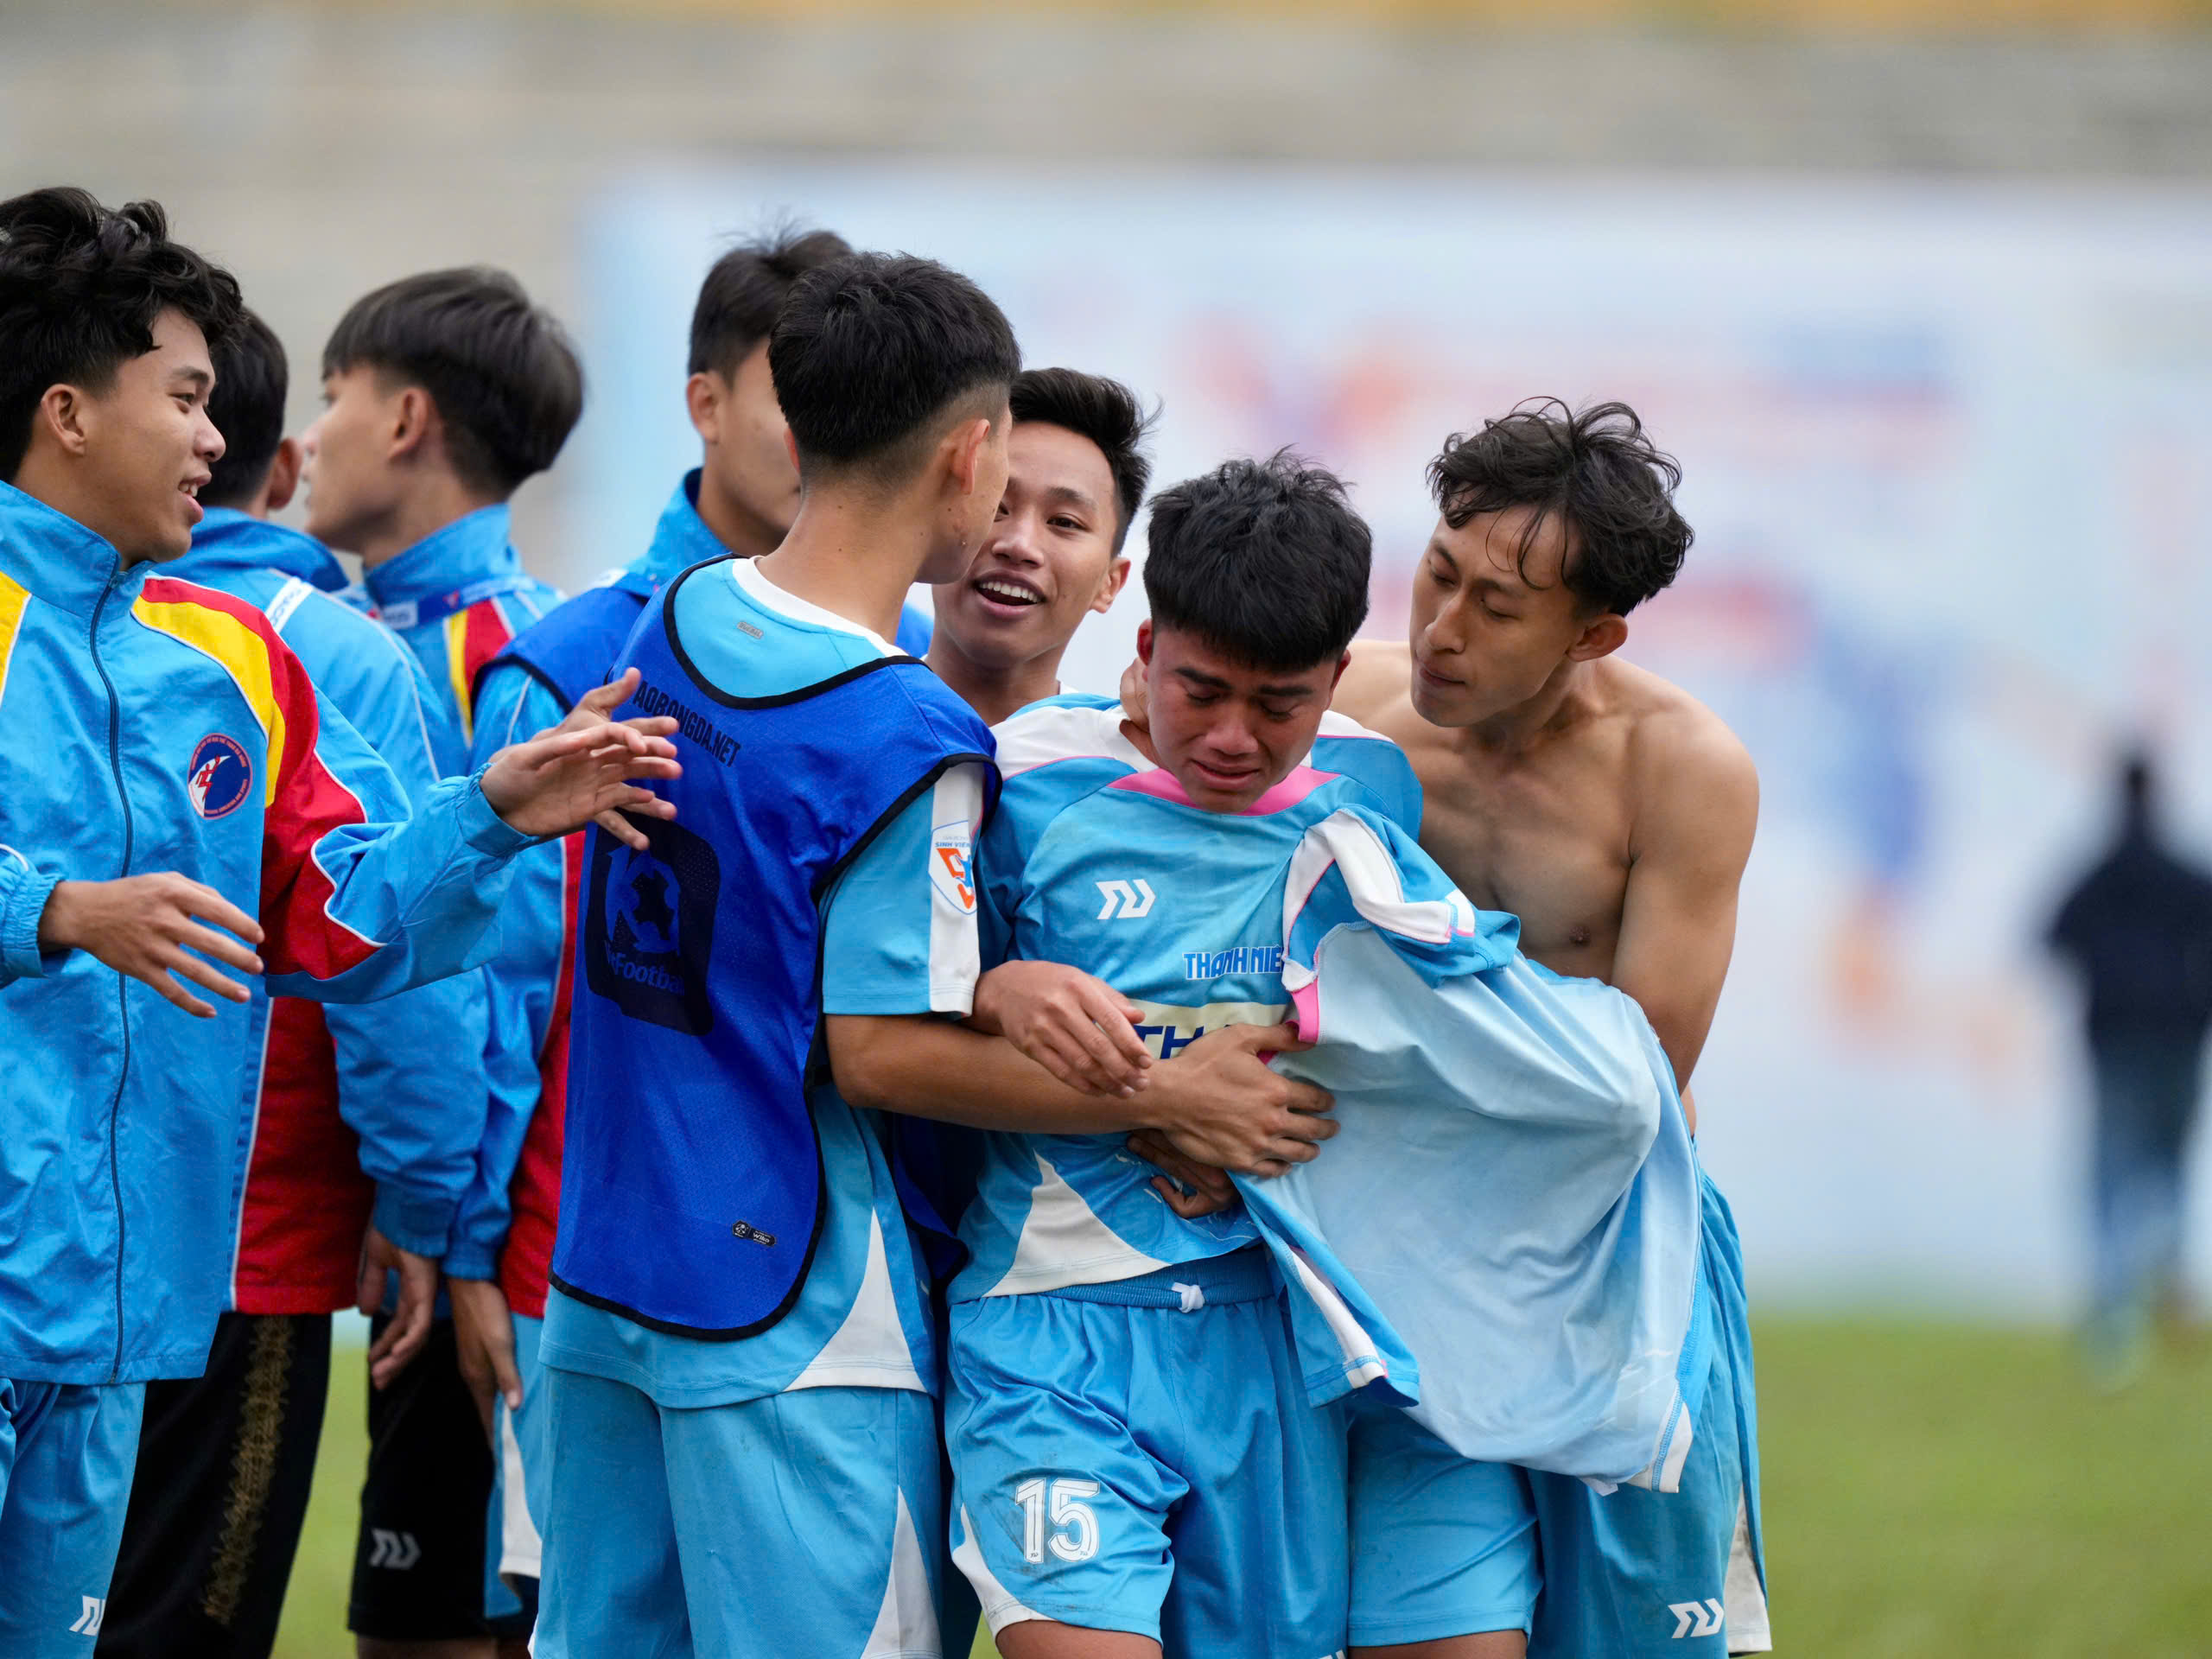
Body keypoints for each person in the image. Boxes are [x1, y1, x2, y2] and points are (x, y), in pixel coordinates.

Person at [535, 253, 1332, 1657]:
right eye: (1009, 479)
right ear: (968, 457)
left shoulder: (673, 620)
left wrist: (992, 976)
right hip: (797, 1312)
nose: (1017, 524)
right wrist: (1163, 1090)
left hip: (608, 1265)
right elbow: (878, 1051)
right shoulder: (909, 736)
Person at [0, 185, 677, 1659]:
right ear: (64, 411)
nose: (220, 439)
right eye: (184, 399)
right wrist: (45, 910)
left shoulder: (235, 653)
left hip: (124, 1317)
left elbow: (344, 916)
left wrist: (486, 812)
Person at [1129, 400, 1768, 1656]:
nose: (1441, 629)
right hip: (1393, 1258)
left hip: (1608, 1262)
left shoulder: (1681, 772)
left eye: (1497, 608)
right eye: (1437, 574)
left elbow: (1626, 1082)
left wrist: (1302, 1066)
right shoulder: (1338, 707)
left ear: (1596, 633)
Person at [446, 225, 861, 1634]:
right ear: (704, 402)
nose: (827, 436)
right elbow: (495, 983)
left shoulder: (903, 679)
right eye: (794, 392)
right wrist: (473, 1241)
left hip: (835, 1281)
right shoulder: (583, 659)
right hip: (591, 1267)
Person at [941, 452, 1397, 1659]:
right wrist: (997, 988)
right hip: (1050, 1327)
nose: (1237, 737)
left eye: (1280, 703)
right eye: (1202, 691)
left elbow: (1430, 1045)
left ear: (1338, 681)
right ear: (1143, 646)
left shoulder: (1372, 800)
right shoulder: (1018, 776)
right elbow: (892, 1011)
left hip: (1274, 1338)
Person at [94, 310, 487, 1659]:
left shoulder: (103, 619)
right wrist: (428, 1198)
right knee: (183, 1620)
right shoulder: (324, 644)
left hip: (85, 1230)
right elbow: (386, 965)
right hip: (244, 1239)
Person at [296, 264, 582, 1659]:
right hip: (428, 1220)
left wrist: (459, 1239)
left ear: (404, 418)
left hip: (462, 1241)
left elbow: (507, 979)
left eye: (334, 395)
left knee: (442, 1633)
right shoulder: (382, 631)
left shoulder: (491, 653)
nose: (310, 438)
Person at [2046, 750, 2212, 1384]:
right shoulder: (2187, 875)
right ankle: (2162, 1266)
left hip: (2115, 1041)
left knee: (2112, 1172)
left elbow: (2051, 937)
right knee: (2167, 1163)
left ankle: (2118, 1316)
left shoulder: (2100, 875)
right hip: (2180, 1039)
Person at [923, 365, 1141, 726]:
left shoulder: (1126, 771)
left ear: (1110, 583)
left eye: (1065, 523)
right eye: (995, 506)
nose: (1019, 545)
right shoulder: (833, 715)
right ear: (931, 526)